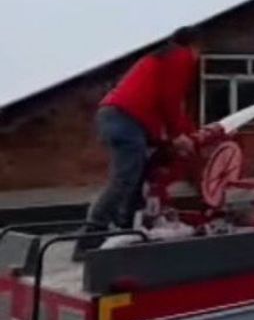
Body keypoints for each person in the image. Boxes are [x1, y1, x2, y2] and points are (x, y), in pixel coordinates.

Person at [75, 27, 201, 259]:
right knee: (125, 178)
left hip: (116, 116)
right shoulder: (180, 57)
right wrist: (178, 136)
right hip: (125, 119)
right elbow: (170, 100)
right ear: (194, 46)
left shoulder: (160, 57)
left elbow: (165, 105)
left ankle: (127, 226)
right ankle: (90, 237)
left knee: (138, 173)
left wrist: (185, 134)